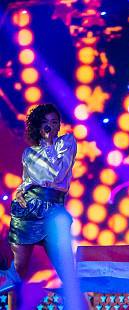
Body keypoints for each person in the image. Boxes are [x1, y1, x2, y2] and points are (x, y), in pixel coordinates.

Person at [8, 103, 77, 298]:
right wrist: (19, 192)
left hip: (53, 210)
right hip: (27, 209)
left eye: (54, 122)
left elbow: (56, 174)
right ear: (38, 126)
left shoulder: (66, 143)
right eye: (46, 123)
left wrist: (48, 143)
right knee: (18, 269)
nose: (50, 126)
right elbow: (28, 180)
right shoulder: (29, 153)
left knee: (65, 267)